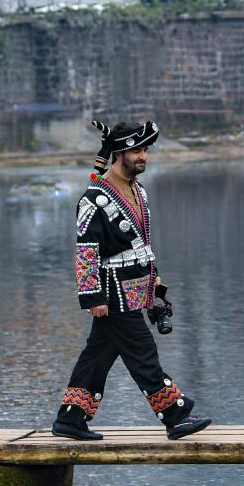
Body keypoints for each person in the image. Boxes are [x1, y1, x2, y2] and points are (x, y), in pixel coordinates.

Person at [50, 118, 212, 442]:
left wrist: (154, 280)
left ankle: (71, 417)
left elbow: (141, 243)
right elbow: (86, 252)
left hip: (134, 289)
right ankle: (175, 415)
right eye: (136, 149)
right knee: (143, 352)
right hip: (110, 294)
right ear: (119, 153)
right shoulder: (93, 199)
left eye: (145, 149)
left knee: (98, 356)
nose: (143, 156)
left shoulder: (140, 191)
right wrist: (92, 297)